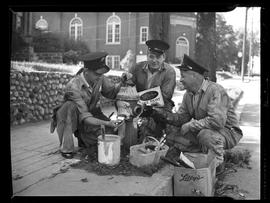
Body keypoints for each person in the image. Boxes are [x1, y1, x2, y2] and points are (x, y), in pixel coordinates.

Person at [144, 54, 243, 169]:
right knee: (172, 131)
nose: (180, 80)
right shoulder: (188, 94)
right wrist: (159, 113)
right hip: (207, 129)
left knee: (205, 135)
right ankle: (197, 154)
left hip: (228, 132)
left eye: (183, 76)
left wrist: (191, 125)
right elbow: (182, 118)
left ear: (194, 76)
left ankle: (217, 164)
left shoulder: (215, 90)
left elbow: (217, 121)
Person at [50, 52, 126, 159]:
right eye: (97, 74)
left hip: (93, 115)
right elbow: (85, 117)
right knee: (69, 107)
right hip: (76, 118)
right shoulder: (73, 87)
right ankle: (67, 147)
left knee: (113, 134)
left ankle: (85, 140)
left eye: (101, 74)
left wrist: (122, 82)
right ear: (86, 71)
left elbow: (111, 93)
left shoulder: (99, 78)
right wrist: (107, 123)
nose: (100, 77)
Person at [127, 39, 176, 142]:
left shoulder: (169, 72)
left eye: (158, 57)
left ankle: (151, 138)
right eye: (151, 56)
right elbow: (129, 88)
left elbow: (165, 96)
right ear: (147, 56)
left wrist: (140, 100)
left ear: (164, 57)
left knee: (149, 127)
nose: (154, 60)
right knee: (125, 120)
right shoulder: (137, 68)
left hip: (160, 107)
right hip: (138, 105)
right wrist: (126, 81)